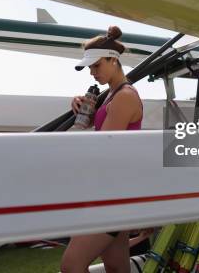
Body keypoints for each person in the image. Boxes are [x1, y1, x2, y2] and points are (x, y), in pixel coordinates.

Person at [60, 25, 145, 273]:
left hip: (112, 193)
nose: (92, 73)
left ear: (113, 60)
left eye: (97, 66)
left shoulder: (124, 96)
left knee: (71, 265)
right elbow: (100, 131)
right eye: (90, 67)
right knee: (116, 268)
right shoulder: (111, 95)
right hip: (115, 190)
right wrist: (78, 104)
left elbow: (102, 148)